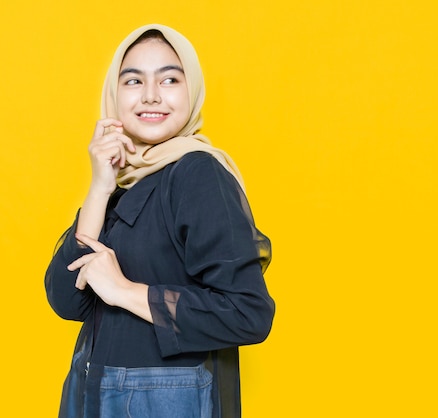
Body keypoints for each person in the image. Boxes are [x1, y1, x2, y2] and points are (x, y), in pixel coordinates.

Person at [45, 24, 275, 418]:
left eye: (169, 78)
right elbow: (66, 299)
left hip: (166, 403)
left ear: (192, 90)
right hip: (95, 396)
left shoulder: (197, 174)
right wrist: (99, 188)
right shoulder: (122, 183)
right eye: (133, 80)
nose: (151, 95)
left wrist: (124, 291)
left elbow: (247, 314)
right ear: (114, 95)